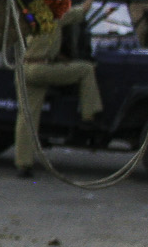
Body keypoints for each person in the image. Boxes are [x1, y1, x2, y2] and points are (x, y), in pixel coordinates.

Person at [14, 13, 102, 177]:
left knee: (27, 117)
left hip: (24, 68)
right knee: (86, 69)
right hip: (42, 70)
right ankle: (89, 114)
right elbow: (81, 11)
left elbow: (43, 48)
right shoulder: (57, 16)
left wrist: (61, 59)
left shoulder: (32, 17)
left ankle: (23, 164)